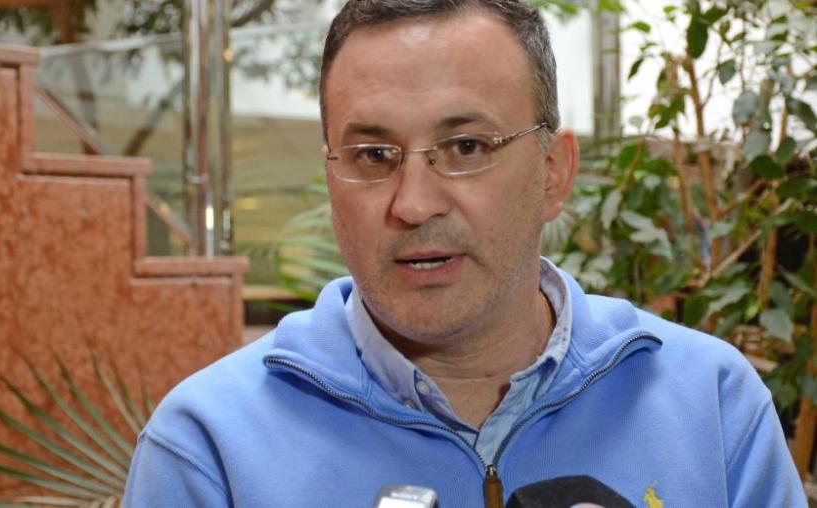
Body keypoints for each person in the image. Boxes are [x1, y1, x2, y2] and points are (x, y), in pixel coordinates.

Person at [124, 1, 806, 506]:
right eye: (373, 155)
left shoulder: (711, 406)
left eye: (467, 147)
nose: (414, 203)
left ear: (553, 173)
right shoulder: (209, 447)